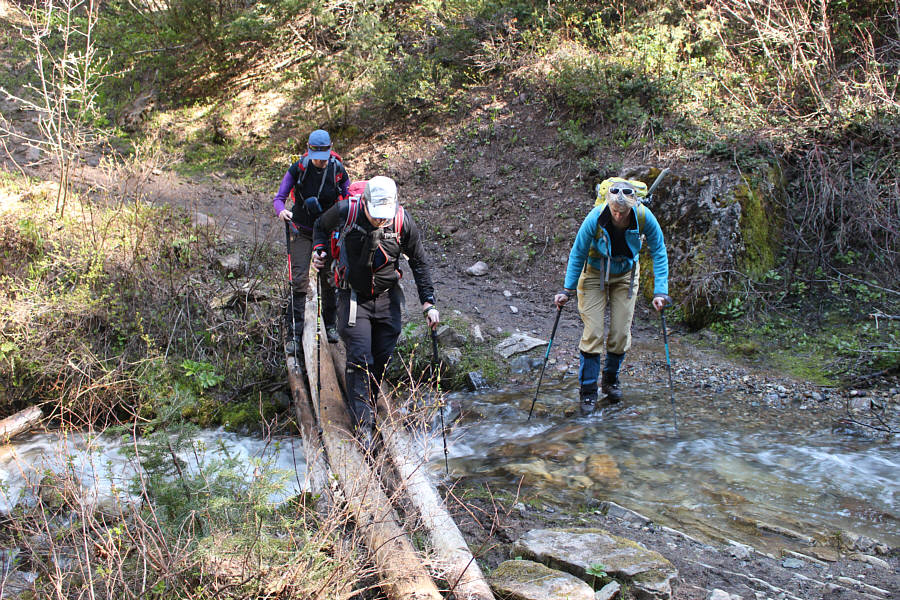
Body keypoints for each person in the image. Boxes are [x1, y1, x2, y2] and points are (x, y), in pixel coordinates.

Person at [312, 176, 438, 438]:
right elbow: (319, 226)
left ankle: (365, 400)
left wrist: (428, 302)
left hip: (387, 296)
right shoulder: (347, 211)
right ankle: (364, 427)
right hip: (353, 296)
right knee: (360, 358)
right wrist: (319, 249)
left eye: (385, 216)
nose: (381, 221)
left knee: (381, 356)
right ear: (365, 204)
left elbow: (419, 260)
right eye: (376, 215)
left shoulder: (402, 221)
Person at [554, 177, 670, 411]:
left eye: (622, 211)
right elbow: (578, 253)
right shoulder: (595, 216)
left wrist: (661, 292)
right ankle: (588, 391)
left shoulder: (644, 216)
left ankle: (610, 380)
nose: (618, 214)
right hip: (594, 272)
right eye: (614, 210)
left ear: (632, 206)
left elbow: (659, 251)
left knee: (620, 332)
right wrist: (567, 289)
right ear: (608, 204)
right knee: (593, 332)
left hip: (626, 275)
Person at [273, 129, 350, 354]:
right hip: (301, 231)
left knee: (328, 279)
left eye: (323, 157)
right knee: (298, 280)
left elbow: (348, 197)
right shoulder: (299, 168)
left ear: (330, 148)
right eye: (316, 157)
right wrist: (281, 212)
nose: (320, 162)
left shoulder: (337, 170)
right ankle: (294, 335)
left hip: (326, 233)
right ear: (309, 150)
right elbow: (279, 198)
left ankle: (330, 325)